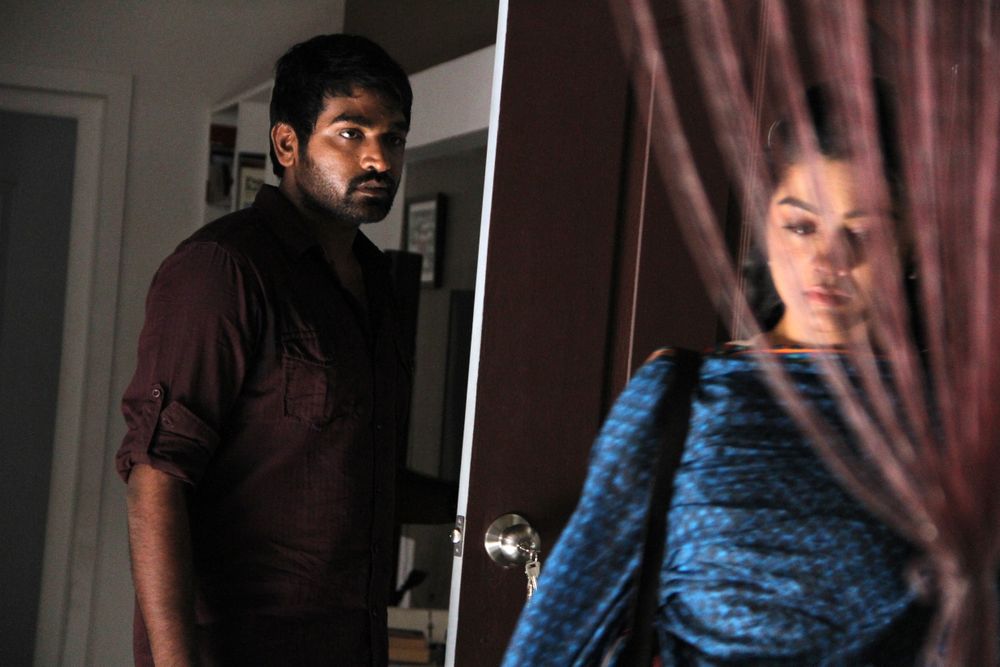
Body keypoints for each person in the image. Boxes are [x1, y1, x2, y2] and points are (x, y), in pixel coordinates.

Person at [502, 87, 934, 665]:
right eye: (801, 226)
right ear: (768, 226)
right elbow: (560, 624)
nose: (827, 261)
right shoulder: (684, 395)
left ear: (912, 243)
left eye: (863, 235)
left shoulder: (946, 421)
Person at [116, 34, 413, 666]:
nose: (379, 160)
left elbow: (357, 468)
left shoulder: (377, 284)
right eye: (352, 133)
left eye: (394, 138)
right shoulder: (223, 268)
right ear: (286, 144)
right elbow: (157, 479)